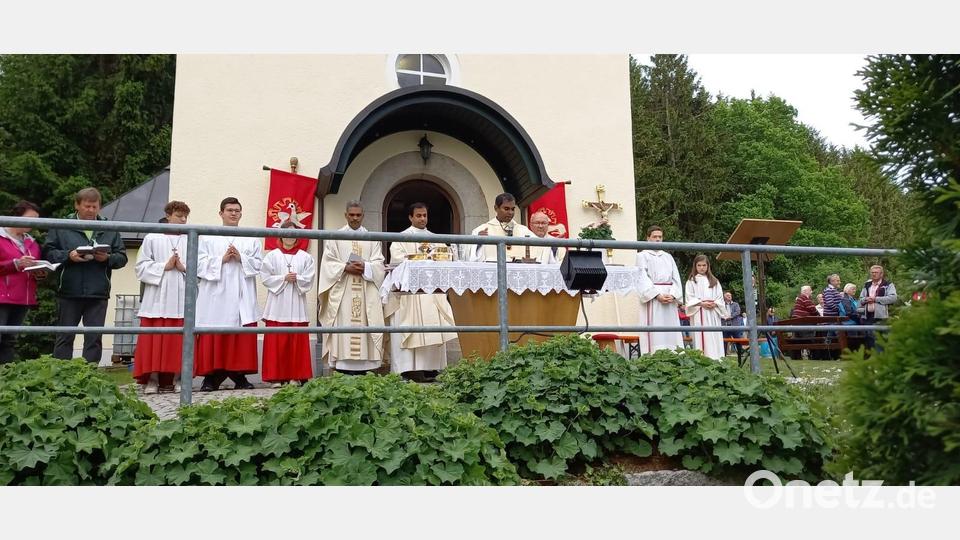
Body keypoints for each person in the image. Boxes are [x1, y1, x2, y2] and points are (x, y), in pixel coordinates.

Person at [42, 187, 128, 364]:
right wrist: (68, 256)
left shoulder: (110, 228)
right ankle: (62, 376)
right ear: (77, 205)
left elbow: (122, 258)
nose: (90, 210)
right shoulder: (61, 226)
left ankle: (89, 377)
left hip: (98, 292)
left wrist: (107, 258)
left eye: (94, 207)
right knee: (65, 336)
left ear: (99, 207)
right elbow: (48, 253)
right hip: (68, 290)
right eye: (87, 206)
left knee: (94, 338)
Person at [195, 197, 261, 391]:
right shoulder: (207, 237)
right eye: (230, 210)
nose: (234, 213)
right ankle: (210, 377)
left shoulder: (251, 237)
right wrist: (221, 259)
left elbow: (259, 264)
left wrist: (242, 258)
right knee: (214, 334)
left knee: (239, 335)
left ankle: (239, 376)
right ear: (221, 213)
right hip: (216, 296)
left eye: (237, 210)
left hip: (241, 294)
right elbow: (198, 264)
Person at [385, 202, 457, 381]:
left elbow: (445, 260)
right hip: (410, 294)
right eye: (418, 215)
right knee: (410, 326)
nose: (422, 218)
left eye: (425, 215)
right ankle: (408, 369)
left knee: (433, 327)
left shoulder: (435, 238)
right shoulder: (401, 239)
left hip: (432, 292)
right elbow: (398, 261)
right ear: (410, 217)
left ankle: (432, 368)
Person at [317, 200, 386, 374]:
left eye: (358, 215)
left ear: (363, 216)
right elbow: (327, 263)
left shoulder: (372, 238)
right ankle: (343, 365)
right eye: (352, 215)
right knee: (343, 324)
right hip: (344, 289)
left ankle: (367, 367)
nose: (355, 218)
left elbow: (379, 264)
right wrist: (344, 267)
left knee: (367, 322)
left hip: (366, 289)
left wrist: (366, 267)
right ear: (345, 215)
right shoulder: (336, 237)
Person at [133, 201, 190, 394]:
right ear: (168, 215)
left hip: (180, 296)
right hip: (157, 297)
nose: (182, 220)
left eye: (185, 217)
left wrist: (183, 267)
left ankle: (178, 378)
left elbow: (200, 268)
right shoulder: (152, 237)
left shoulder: (191, 237)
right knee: (154, 340)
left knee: (179, 340)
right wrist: (163, 266)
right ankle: (153, 379)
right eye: (179, 216)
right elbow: (140, 267)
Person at [260, 221, 315, 387]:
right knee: (277, 340)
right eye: (287, 233)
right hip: (278, 303)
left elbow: (309, 277)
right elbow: (265, 277)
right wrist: (283, 278)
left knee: (296, 340)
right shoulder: (272, 255)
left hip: (296, 303)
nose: (290, 237)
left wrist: (297, 278)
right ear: (281, 235)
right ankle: (276, 377)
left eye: (293, 233)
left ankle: (295, 376)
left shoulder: (305, 257)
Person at [0, 201, 43, 364]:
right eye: (30, 219)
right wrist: (15, 264)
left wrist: (40, 272)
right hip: (2, 297)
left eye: (36, 220)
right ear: (16, 217)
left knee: (10, 341)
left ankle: (5, 378)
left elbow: (33, 267)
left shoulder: (32, 243)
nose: (33, 223)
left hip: (23, 298)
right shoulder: (1, 237)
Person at [636, 226, 684, 354]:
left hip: (669, 297)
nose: (657, 239)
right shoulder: (642, 256)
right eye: (654, 237)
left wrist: (673, 295)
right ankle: (654, 355)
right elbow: (641, 277)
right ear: (648, 238)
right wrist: (656, 295)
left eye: (660, 237)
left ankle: (674, 354)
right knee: (654, 329)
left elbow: (676, 278)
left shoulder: (668, 257)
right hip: (654, 298)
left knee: (670, 329)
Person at [463, 193, 534, 262]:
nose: (510, 212)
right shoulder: (482, 230)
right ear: (496, 208)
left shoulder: (523, 230)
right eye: (506, 209)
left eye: (512, 209)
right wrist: (478, 243)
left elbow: (541, 249)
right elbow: (468, 256)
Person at [684, 254, 728, 360]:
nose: (702, 268)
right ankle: (702, 359)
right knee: (700, 336)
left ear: (708, 266)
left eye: (704, 265)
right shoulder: (691, 281)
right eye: (699, 265)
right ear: (695, 266)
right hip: (699, 312)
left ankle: (716, 358)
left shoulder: (714, 281)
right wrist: (701, 303)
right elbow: (689, 298)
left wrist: (715, 303)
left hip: (712, 313)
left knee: (713, 335)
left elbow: (720, 297)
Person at [859, 264, 898, 350]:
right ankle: (875, 358)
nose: (873, 274)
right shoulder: (867, 285)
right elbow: (861, 299)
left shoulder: (888, 285)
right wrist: (866, 299)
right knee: (870, 338)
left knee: (882, 339)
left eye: (876, 272)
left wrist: (875, 299)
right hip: (868, 316)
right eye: (872, 272)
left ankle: (881, 357)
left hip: (882, 316)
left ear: (881, 274)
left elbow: (893, 298)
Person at [837, 282, 864, 350]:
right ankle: (853, 352)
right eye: (852, 289)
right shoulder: (845, 299)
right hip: (849, 321)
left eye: (855, 289)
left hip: (854, 320)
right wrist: (859, 316)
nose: (854, 290)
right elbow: (849, 312)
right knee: (855, 338)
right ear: (847, 290)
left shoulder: (852, 299)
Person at [721, 291, 743, 355]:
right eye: (727, 295)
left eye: (730, 295)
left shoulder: (735, 304)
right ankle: (723, 356)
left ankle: (740, 355)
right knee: (724, 342)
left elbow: (738, 312)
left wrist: (730, 317)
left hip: (735, 326)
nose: (729, 296)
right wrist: (724, 317)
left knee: (738, 341)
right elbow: (719, 312)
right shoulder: (721, 305)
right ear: (724, 297)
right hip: (725, 326)